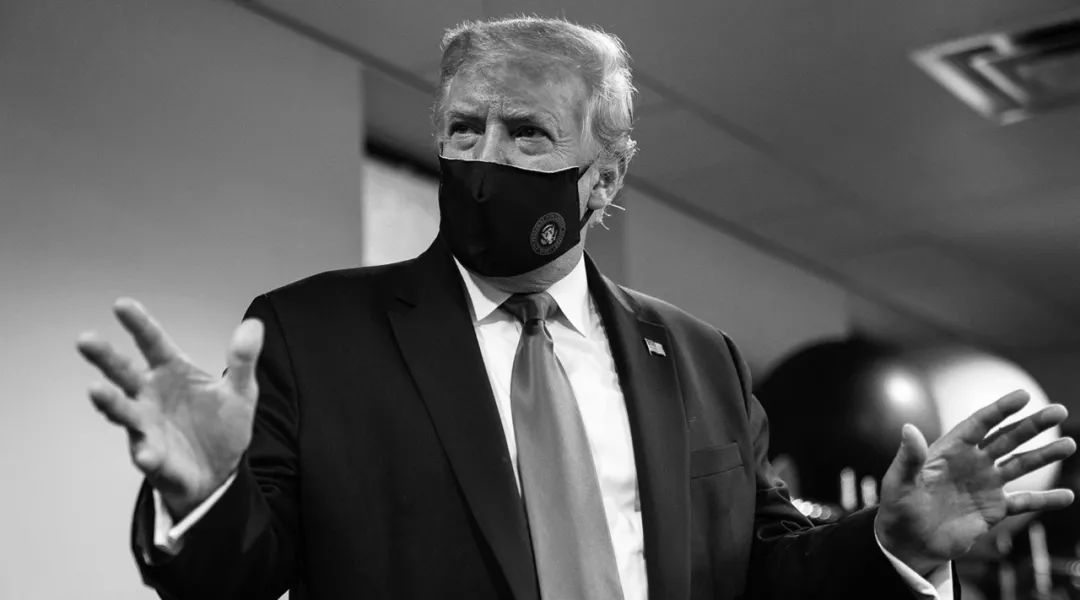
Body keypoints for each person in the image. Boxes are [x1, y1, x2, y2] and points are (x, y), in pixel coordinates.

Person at [75, 16, 1075, 600]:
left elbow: (759, 570)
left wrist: (894, 543)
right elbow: (240, 577)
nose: (484, 161)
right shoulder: (315, 336)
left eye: (527, 135)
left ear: (606, 178)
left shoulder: (701, 359)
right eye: (462, 130)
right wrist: (203, 497)